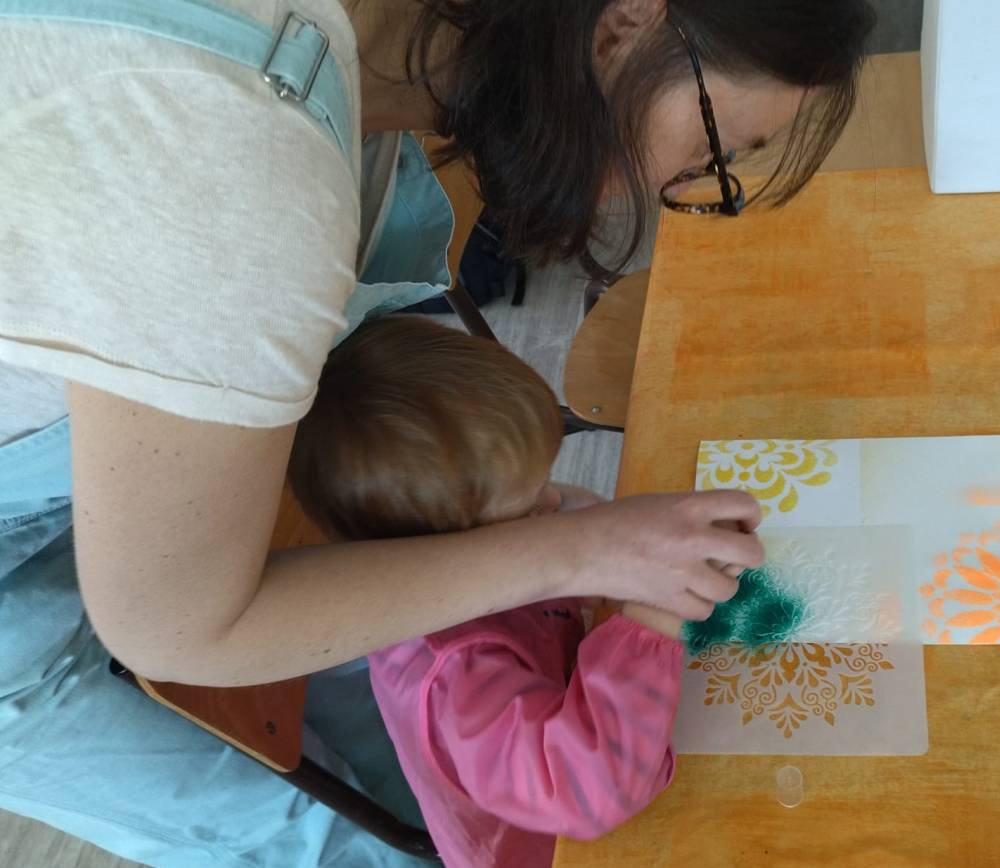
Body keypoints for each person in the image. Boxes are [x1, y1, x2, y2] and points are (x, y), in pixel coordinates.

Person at [0, 0, 875, 863]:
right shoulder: (230, 166)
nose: (668, 191)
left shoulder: (321, 93)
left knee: (399, 720)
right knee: (311, 831)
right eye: (711, 152)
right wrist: (586, 554)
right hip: (50, 564)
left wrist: (572, 554)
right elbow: (174, 627)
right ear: (628, 19)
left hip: (115, 439)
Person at [290, 315, 685, 868]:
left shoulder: (433, 542)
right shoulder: (457, 674)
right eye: (528, 504)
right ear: (458, 543)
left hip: (574, 711)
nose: (552, 502)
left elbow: (560, 522)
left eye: (543, 480)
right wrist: (648, 621)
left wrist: (587, 533)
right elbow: (592, 791)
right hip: (544, 846)